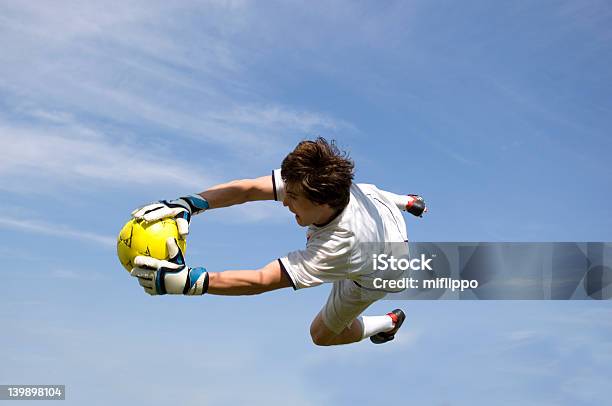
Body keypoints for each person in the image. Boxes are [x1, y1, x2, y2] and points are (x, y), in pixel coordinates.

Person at [130, 137, 427, 346]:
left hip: (382, 271)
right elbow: (246, 190)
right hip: (382, 207)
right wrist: (189, 203)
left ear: (322, 201)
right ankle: (408, 201)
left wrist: (191, 282)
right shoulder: (317, 180)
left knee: (322, 335)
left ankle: (389, 323)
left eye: (293, 199)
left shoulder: (337, 247)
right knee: (375, 193)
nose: (285, 203)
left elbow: (262, 280)